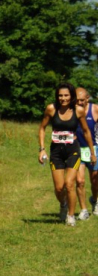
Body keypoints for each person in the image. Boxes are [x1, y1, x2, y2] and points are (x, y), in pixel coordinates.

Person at [38, 82, 96, 226]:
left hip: (73, 150)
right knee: (59, 188)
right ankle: (63, 204)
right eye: (60, 96)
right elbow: (42, 128)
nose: (63, 98)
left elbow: (86, 131)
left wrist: (92, 152)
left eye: (66, 95)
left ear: (71, 96)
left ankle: (71, 216)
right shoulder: (51, 109)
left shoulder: (78, 110)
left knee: (70, 184)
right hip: (56, 152)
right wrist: (42, 149)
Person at [75, 87, 98, 219]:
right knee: (80, 181)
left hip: (92, 149)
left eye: (82, 100)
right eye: (77, 100)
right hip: (77, 149)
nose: (79, 102)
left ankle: (95, 200)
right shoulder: (72, 110)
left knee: (95, 180)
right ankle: (83, 210)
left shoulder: (94, 109)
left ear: (87, 99)